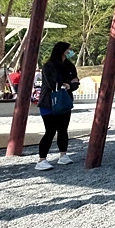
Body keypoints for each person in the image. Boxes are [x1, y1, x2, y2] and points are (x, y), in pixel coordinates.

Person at [35, 42, 80, 171]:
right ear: (62, 50)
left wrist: (69, 85)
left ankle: (63, 155)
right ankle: (41, 160)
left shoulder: (69, 66)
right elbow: (52, 83)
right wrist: (66, 84)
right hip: (48, 102)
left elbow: (76, 82)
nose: (70, 52)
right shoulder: (49, 66)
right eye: (68, 50)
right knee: (50, 131)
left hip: (65, 101)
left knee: (63, 129)